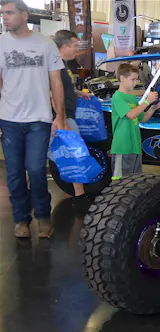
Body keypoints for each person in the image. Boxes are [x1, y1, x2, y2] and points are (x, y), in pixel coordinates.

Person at [0, 0, 68, 239]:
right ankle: (21, 220)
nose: (4, 17)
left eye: (9, 13)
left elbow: (57, 83)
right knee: (15, 174)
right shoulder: (1, 43)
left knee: (38, 170)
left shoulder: (45, 44)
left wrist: (60, 117)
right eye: (2, 13)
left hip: (39, 119)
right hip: (9, 119)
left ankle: (43, 215)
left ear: (24, 15)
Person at [52, 29, 93, 210]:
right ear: (64, 45)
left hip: (65, 116)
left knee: (51, 154)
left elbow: (65, 89)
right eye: (75, 45)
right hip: (63, 118)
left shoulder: (63, 65)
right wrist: (61, 119)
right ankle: (80, 196)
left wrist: (79, 94)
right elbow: (52, 93)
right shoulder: (55, 66)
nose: (77, 49)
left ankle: (28, 186)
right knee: (75, 154)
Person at [110, 63, 159, 180]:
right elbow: (131, 115)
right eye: (132, 79)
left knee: (134, 180)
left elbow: (142, 118)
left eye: (136, 80)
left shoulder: (132, 98)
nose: (135, 83)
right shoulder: (117, 97)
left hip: (135, 145)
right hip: (122, 146)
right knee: (120, 181)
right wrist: (147, 101)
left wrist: (152, 108)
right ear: (122, 78)